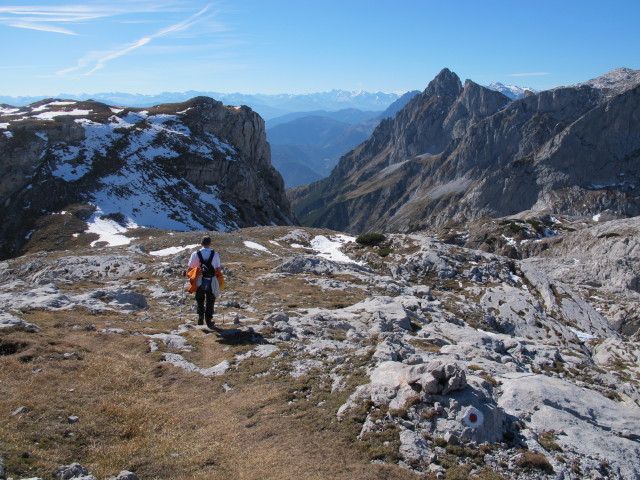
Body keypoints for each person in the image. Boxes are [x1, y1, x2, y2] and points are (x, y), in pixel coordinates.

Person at [187, 236, 221, 328]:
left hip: (199, 279)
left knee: (199, 299)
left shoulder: (195, 254)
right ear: (210, 243)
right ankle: (208, 319)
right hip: (211, 280)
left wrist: (188, 275)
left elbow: (190, 268)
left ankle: (200, 316)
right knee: (210, 300)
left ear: (201, 243)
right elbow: (218, 268)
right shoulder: (215, 254)